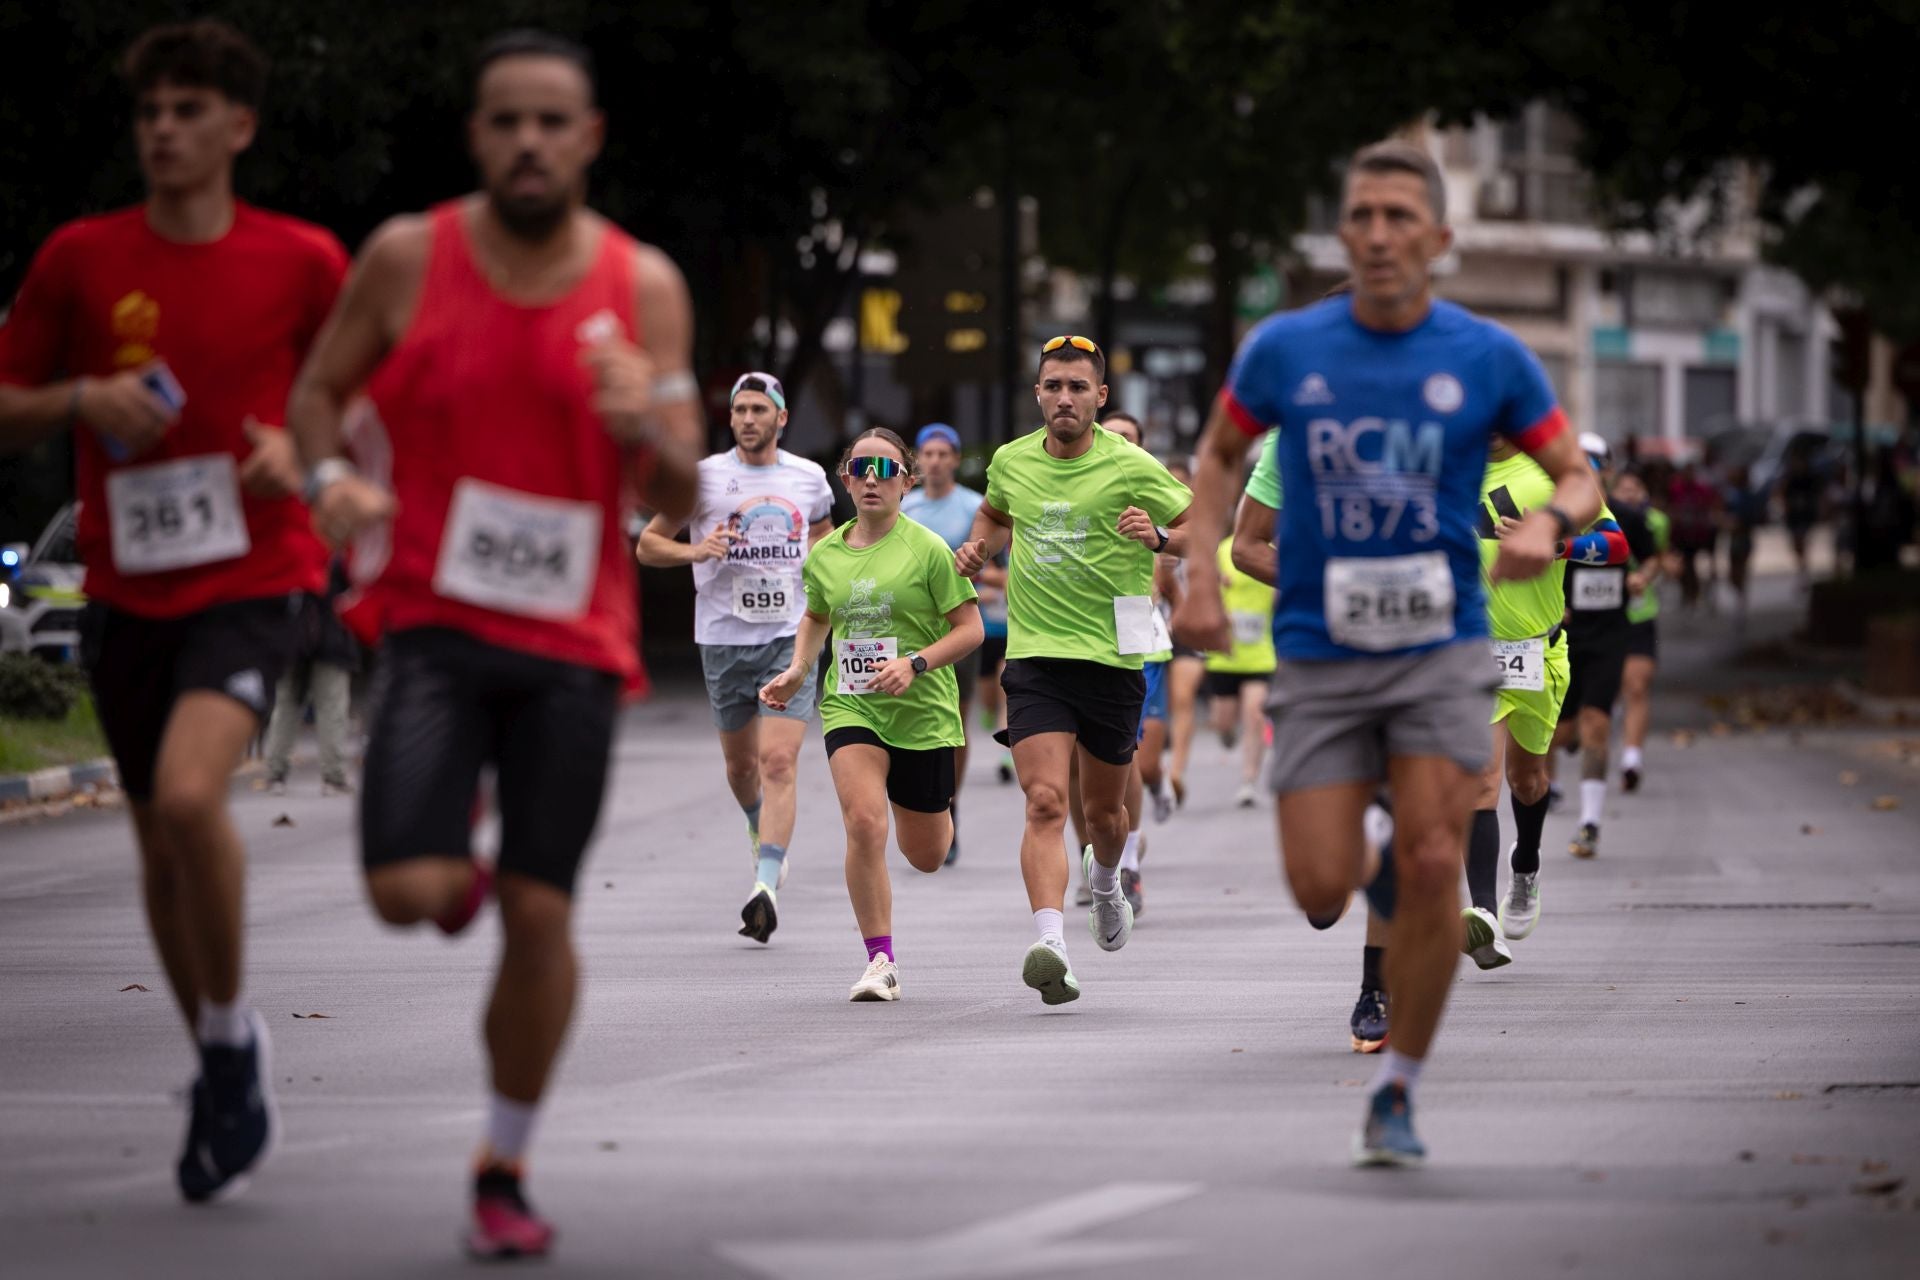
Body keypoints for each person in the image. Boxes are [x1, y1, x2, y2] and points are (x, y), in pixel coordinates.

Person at [286, 30, 702, 1256]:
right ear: (478, 136)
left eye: (551, 121)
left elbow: (684, 474)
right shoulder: (409, 258)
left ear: (588, 139)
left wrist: (650, 428)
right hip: (433, 619)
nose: (529, 140)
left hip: (575, 640)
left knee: (540, 913)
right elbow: (318, 390)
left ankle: (505, 1160)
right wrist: (325, 477)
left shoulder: (644, 284)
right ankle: (457, 868)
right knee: (409, 889)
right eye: (505, 120)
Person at [1173, 139, 1601, 1165]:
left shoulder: (1489, 358)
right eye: (1360, 214)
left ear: (1439, 239)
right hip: (1323, 649)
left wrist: (1552, 524)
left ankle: (1398, 1086)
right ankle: (1366, 852)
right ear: (1342, 231)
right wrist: (1196, 575)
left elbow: (1575, 474)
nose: (1376, 234)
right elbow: (1221, 453)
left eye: (1399, 217)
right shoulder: (1285, 350)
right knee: (1322, 886)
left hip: (1445, 645)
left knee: (1435, 854)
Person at [0, 19, 347, 1203]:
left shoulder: (300, 260)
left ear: (237, 127)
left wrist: (292, 454)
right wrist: (78, 394)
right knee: (157, 844)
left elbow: (352, 402)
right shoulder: (81, 260)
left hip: (257, 576)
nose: (163, 128)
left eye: (188, 109)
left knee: (196, 794)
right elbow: (7, 403)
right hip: (127, 586)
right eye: (150, 111)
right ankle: (214, 1050)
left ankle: (237, 1037)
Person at [955, 336, 1192, 1005]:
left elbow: (1204, 526)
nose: (1065, 398)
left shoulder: (1132, 465)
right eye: (1053, 386)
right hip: (1036, 657)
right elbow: (994, 514)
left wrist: (1162, 540)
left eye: (1078, 388)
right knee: (1045, 802)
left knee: (1106, 813)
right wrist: (979, 549)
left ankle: (1110, 881)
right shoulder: (1011, 462)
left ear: (1101, 397)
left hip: (1114, 659)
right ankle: (1051, 941)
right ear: (1038, 395)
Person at [759, 428, 982, 1000]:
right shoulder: (826, 553)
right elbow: (816, 614)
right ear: (846, 478)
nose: (872, 479)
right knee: (863, 821)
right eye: (862, 468)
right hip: (851, 703)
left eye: (887, 470)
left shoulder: (928, 549)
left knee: (926, 854)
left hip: (923, 713)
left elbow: (970, 630)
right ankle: (879, 961)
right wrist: (798, 668)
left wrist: (916, 664)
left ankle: (939, 817)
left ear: (907, 482)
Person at [636, 371, 834, 941]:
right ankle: (757, 824)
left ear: (781, 418)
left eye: (758, 409)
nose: (748, 419)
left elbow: (823, 538)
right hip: (722, 636)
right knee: (742, 767)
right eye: (740, 410)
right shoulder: (702, 479)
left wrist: (824, 582)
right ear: (730, 419)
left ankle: (765, 884)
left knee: (778, 763)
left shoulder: (808, 478)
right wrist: (696, 549)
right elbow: (649, 545)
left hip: (790, 635)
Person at [1470, 440, 1626, 959]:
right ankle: (1484, 916)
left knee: (1528, 780)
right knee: (1483, 781)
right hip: (1473, 653)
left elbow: (1616, 546)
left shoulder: (1556, 474)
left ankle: (1526, 865)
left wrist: (1558, 546)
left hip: (1540, 652)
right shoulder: (1450, 462)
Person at [1550, 434, 1658, 860]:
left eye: (1597, 461)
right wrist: (1553, 605)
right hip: (1564, 635)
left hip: (1611, 633)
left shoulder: (1624, 516)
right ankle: (1555, 777)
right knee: (1560, 733)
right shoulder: (1553, 513)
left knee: (1597, 723)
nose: (1589, 467)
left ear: (1609, 469)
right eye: (1582, 459)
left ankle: (1590, 823)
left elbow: (1651, 557)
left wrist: (1641, 578)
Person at [899, 422, 985, 865]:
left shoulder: (973, 508)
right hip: (910, 633)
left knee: (954, 724)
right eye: (926, 454)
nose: (934, 461)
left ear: (954, 459)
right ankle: (919, 808)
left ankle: (950, 805)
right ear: (918, 461)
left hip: (957, 632)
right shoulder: (903, 508)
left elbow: (997, 568)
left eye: (942, 454)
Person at [262, 557, 360, 795]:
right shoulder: (340, 558)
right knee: (332, 708)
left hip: (292, 641)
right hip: (332, 642)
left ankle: (275, 774)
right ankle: (333, 777)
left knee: (286, 707)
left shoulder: (292, 552)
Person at [1204, 533, 1277, 807]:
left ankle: (1248, 780)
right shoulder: (1223, 550)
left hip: (1259, 652)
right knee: (1223, 723)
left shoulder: (1274, 552)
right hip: (1226, 654)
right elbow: (1205, 588)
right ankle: (1226, 734)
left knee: (1255, 714)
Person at [1614, 468, 1666, 793]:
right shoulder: (1592, 518)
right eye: (1624, 488)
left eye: (1636, 488)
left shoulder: (1656, 522)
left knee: (1636, 685)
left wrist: (1644, 576)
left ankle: (1632, 758)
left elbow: (1657, 557)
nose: (1630, 494)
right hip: (1599, 620)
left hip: (1640, 613)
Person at [1667, 460, 1720, 611]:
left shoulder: (1702, 489)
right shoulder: (1675, 489)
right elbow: (1671, 508)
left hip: (1699, 533)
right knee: (1686, 566)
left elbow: (1711, 508)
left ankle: (1696, 592)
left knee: (1696, 565)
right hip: (1682, 534)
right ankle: (1689, 593)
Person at [1778, 449, 1822, 586]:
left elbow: (1817, 495)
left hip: (1805, 516)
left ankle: (1803, 571)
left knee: (1801, 542)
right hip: (1793, 517)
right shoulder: (1790, 478)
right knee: (1796, 546)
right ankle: (1802, 569)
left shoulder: (1809, 478)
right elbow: (1782, 495)